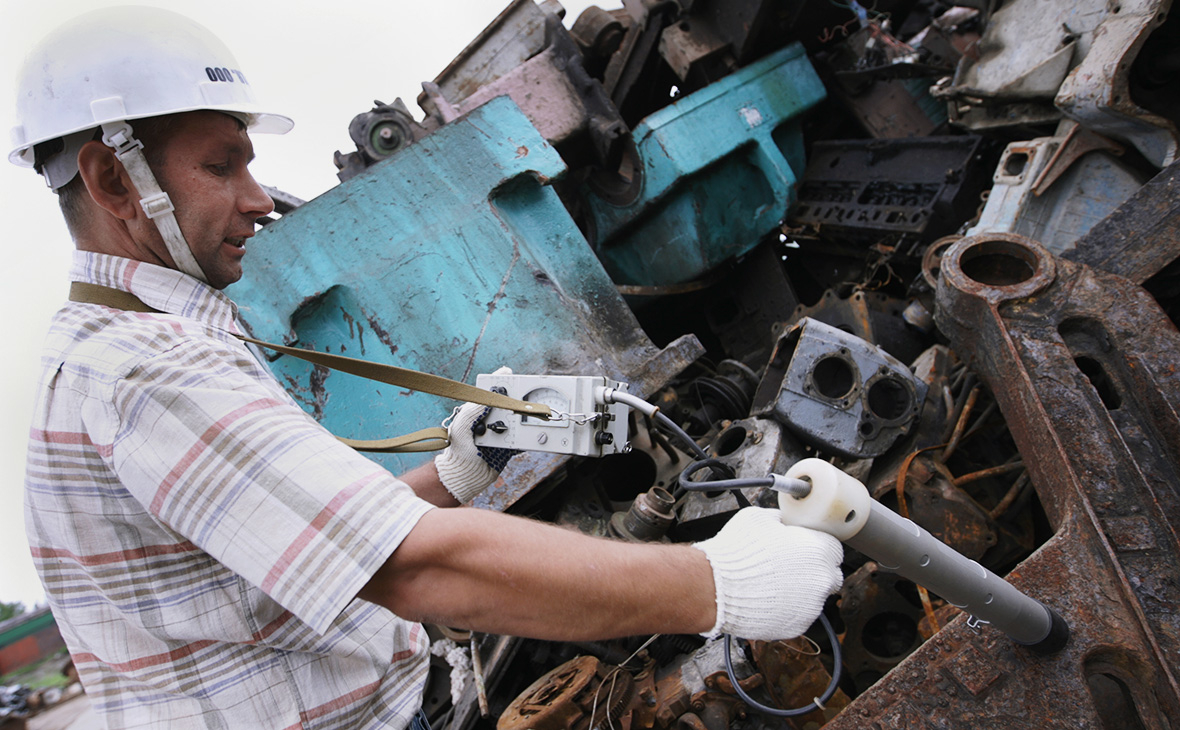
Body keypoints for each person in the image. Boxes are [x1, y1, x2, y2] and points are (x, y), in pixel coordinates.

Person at [11, 7, 844, 729]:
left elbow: (326, 546)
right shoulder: (146, 374)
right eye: (222, 165)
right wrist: (716, 584)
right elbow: (415, 565)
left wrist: (458, 466)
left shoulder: (139, 348)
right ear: (115, 180)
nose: (261, 198)